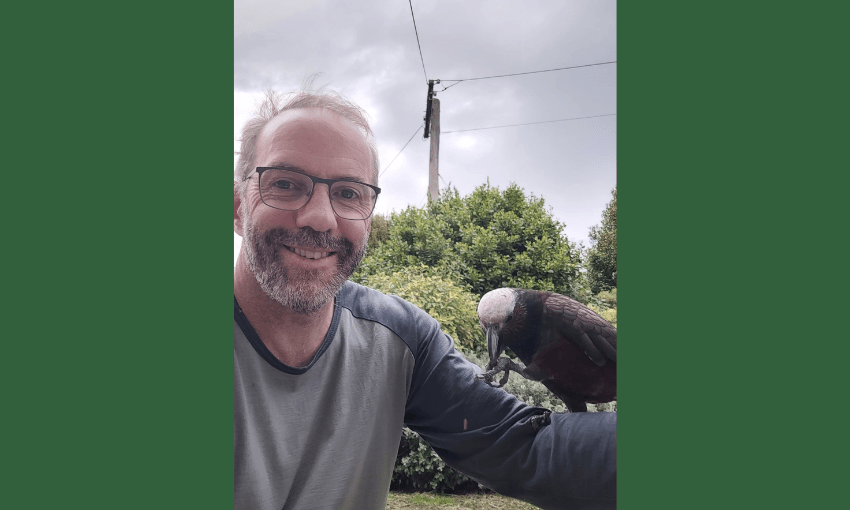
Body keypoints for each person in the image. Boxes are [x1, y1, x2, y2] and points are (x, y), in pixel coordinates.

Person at [234, 88, 616, 510]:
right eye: (285, 184)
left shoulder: (400, 339)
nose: (321, 217)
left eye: (348, 193)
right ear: (237, 206)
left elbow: (521, 446)